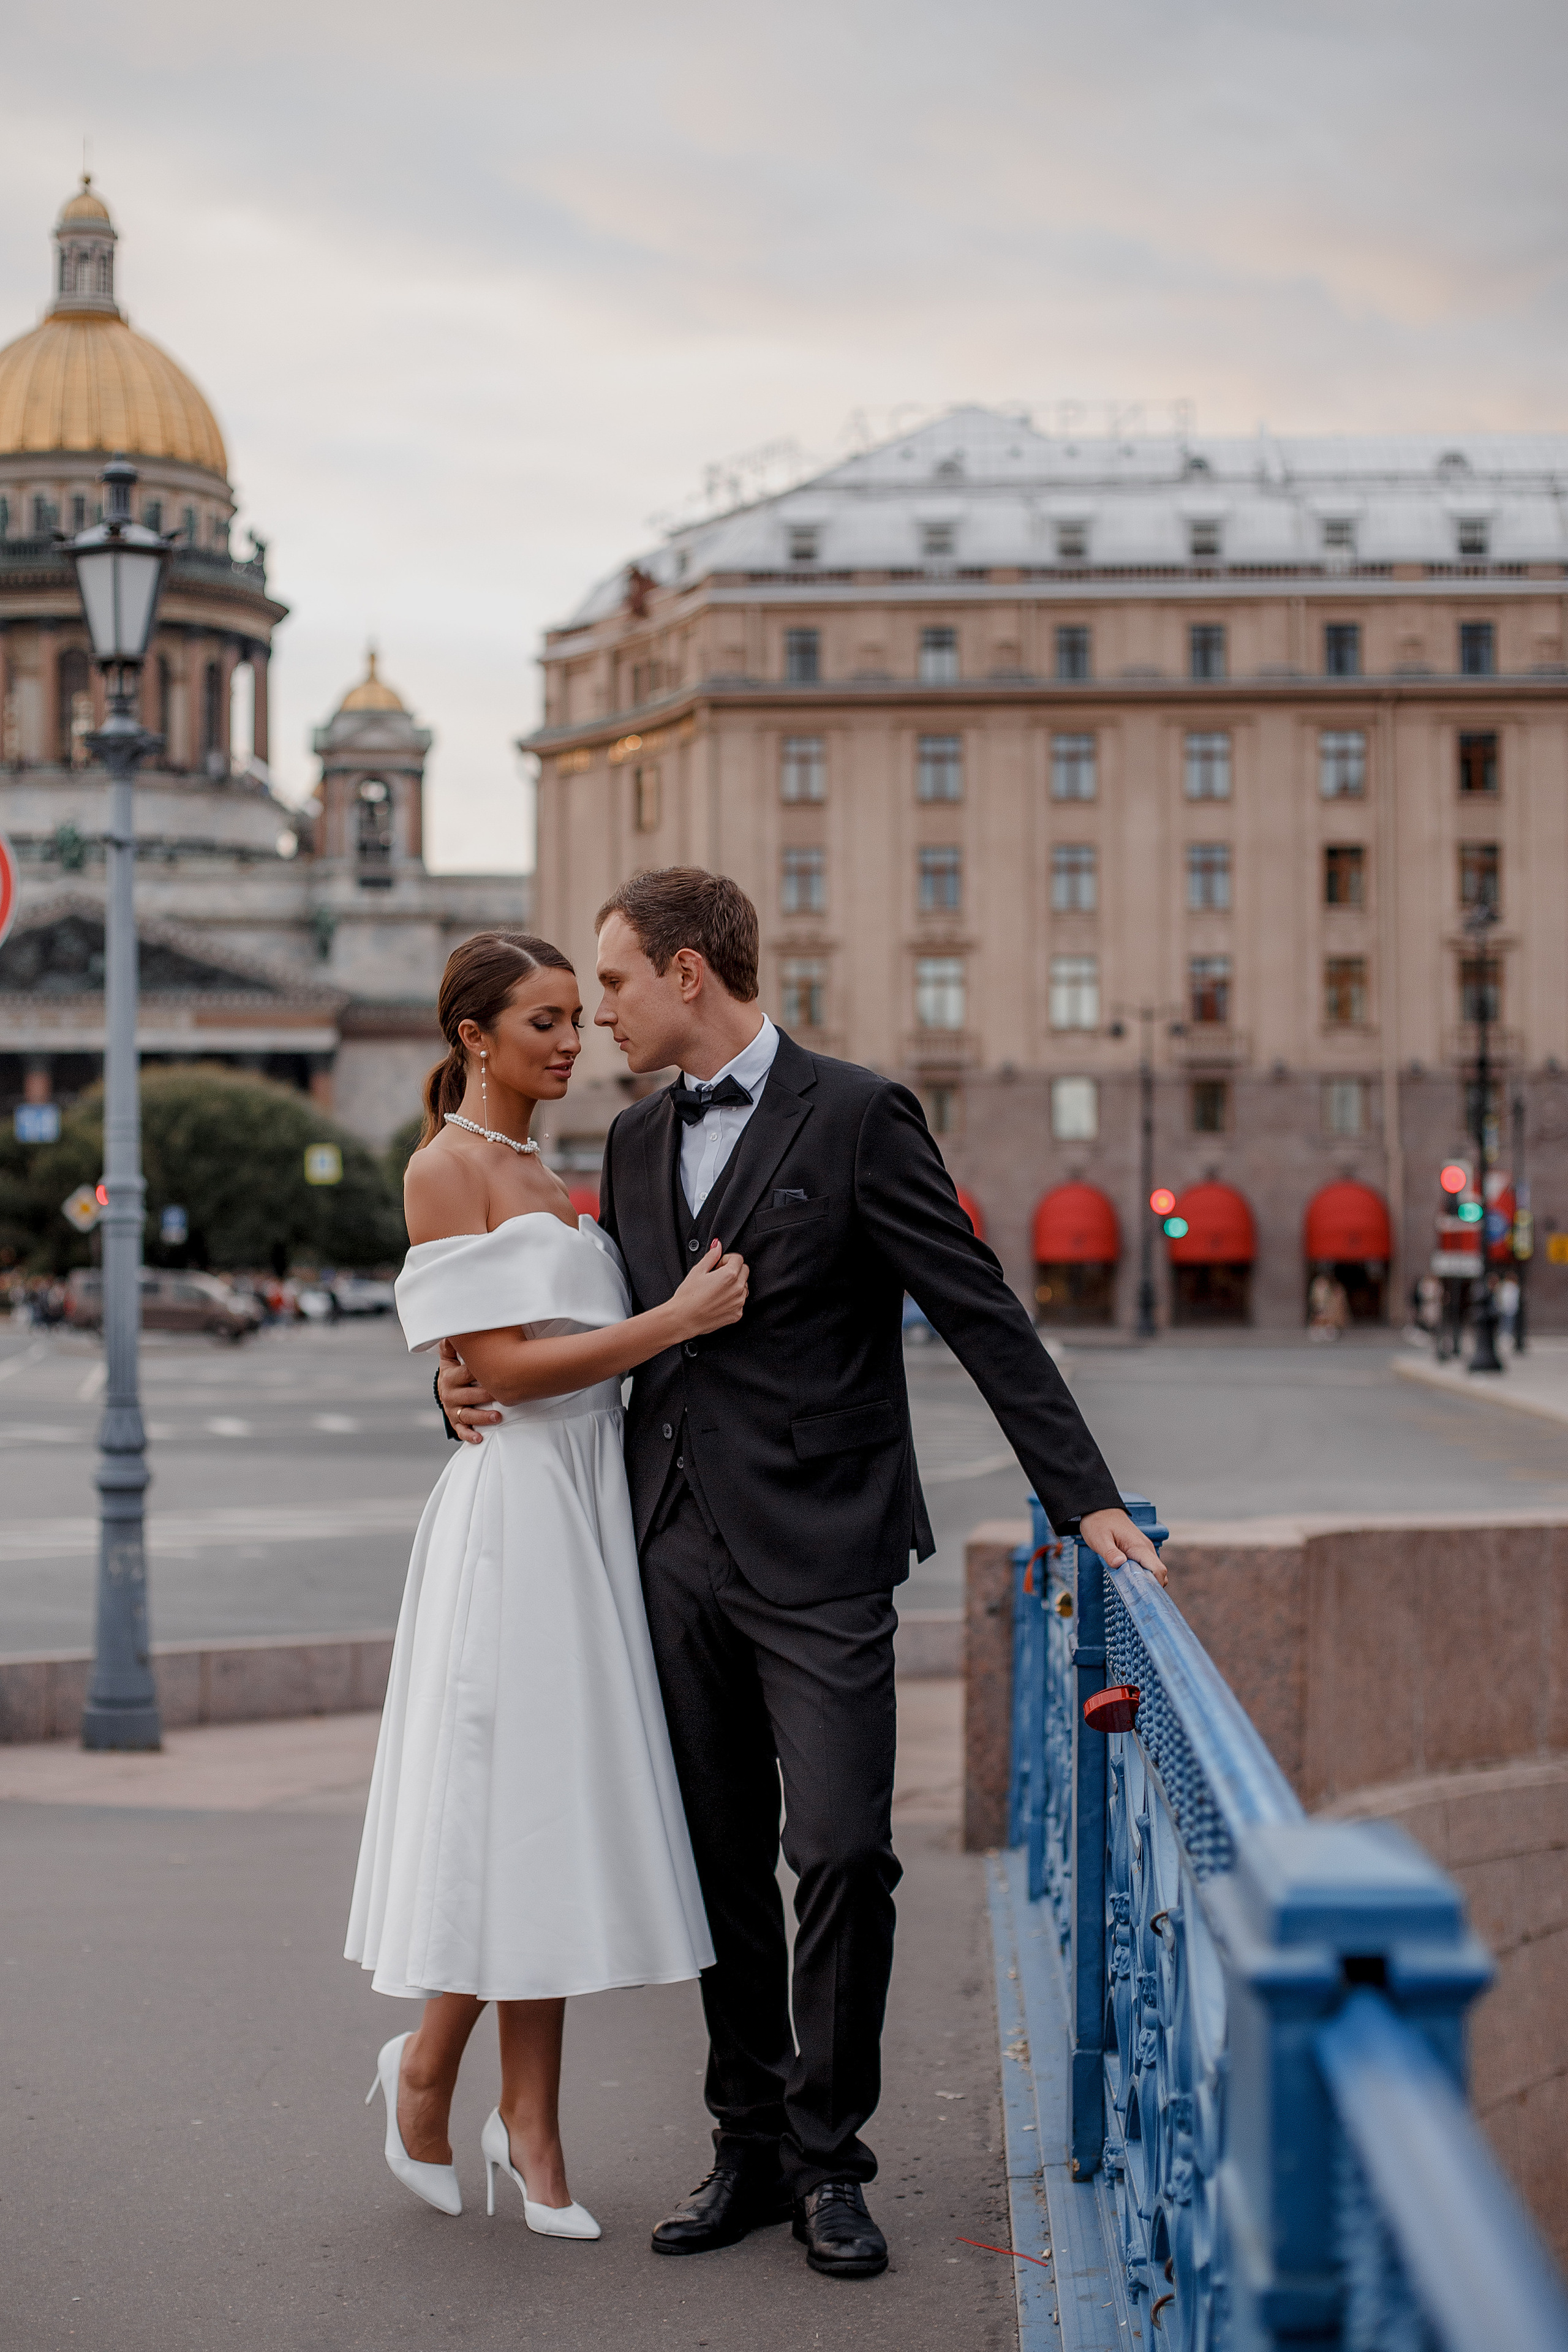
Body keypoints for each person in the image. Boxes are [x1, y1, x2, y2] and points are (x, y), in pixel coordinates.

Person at [438, 869, 1164, 2283]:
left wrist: (1079, 1500)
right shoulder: (638, 1140)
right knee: (716, 1870)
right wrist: (456, 1398)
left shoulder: (858, 1114)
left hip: (824, 1554)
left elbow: (975, 1310)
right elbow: (560, 1331)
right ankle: (751, 2148)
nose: (601, 1014)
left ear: (691, 974)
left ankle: (835, 2161)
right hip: (670, 1549)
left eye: (618, 984)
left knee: (838, 1853)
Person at [346, 930, 745, 2236]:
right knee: (504, 1809)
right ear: (475, 1038)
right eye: (544, 1022)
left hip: (584, 1516)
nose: (573, 1041)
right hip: (514, 1519)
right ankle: (434, 2079)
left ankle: (519, 2122)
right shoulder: (444, 1166)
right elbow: (501, 1368)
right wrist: (672, 1322)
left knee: (550, 1818)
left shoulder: (547, 1166)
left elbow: (512, 1359)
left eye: (579, 1015)